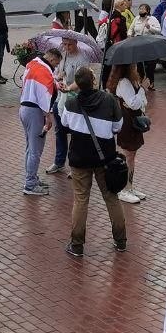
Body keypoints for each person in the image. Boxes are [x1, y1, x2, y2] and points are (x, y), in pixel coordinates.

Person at [62, 66, 126, 258]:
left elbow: (65, 124)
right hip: (104, 159)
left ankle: (77, 244)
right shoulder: (109, 100)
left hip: (79, 159)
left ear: (78, 85)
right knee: (111, 197)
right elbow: (118, 127)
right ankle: (121, 240)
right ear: (93, 81)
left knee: (81, 200)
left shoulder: (71, 103)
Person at [18, 48, 61, 196]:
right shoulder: (45, 72)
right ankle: (30, 184)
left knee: (30, 148)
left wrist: (55, 83)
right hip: (35, 112)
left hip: (25, 108)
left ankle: (33, 179)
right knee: (35, 150)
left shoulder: (33, 64)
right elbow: (43, 96)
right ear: (52, 60)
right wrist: (48, 117)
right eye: (57, 63)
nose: (56, 67)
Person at [107, 63, 147, 204]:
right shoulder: (124, 82)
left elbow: (143, 103)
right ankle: (123, 189)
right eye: (133, 65)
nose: (136, 66)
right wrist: (142, 90)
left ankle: (130, 186)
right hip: (127, 121)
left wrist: (140, 94)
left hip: (133, 120)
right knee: (128, 154)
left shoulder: (133, 80)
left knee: (132, 154)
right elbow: (134, 103)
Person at [47, 38, 86, 178]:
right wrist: (58, 77)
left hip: (74, 99)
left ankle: (75, 165)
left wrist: (69, 88)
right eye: (64, 44)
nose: (66, 47)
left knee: (75, 133)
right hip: (60, 98)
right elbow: (57, 72)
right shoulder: (63, 55)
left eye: (69, 44)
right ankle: (59, 162)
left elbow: (81, 80)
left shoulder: (81, 59)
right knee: (59, 131)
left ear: (76, 43)